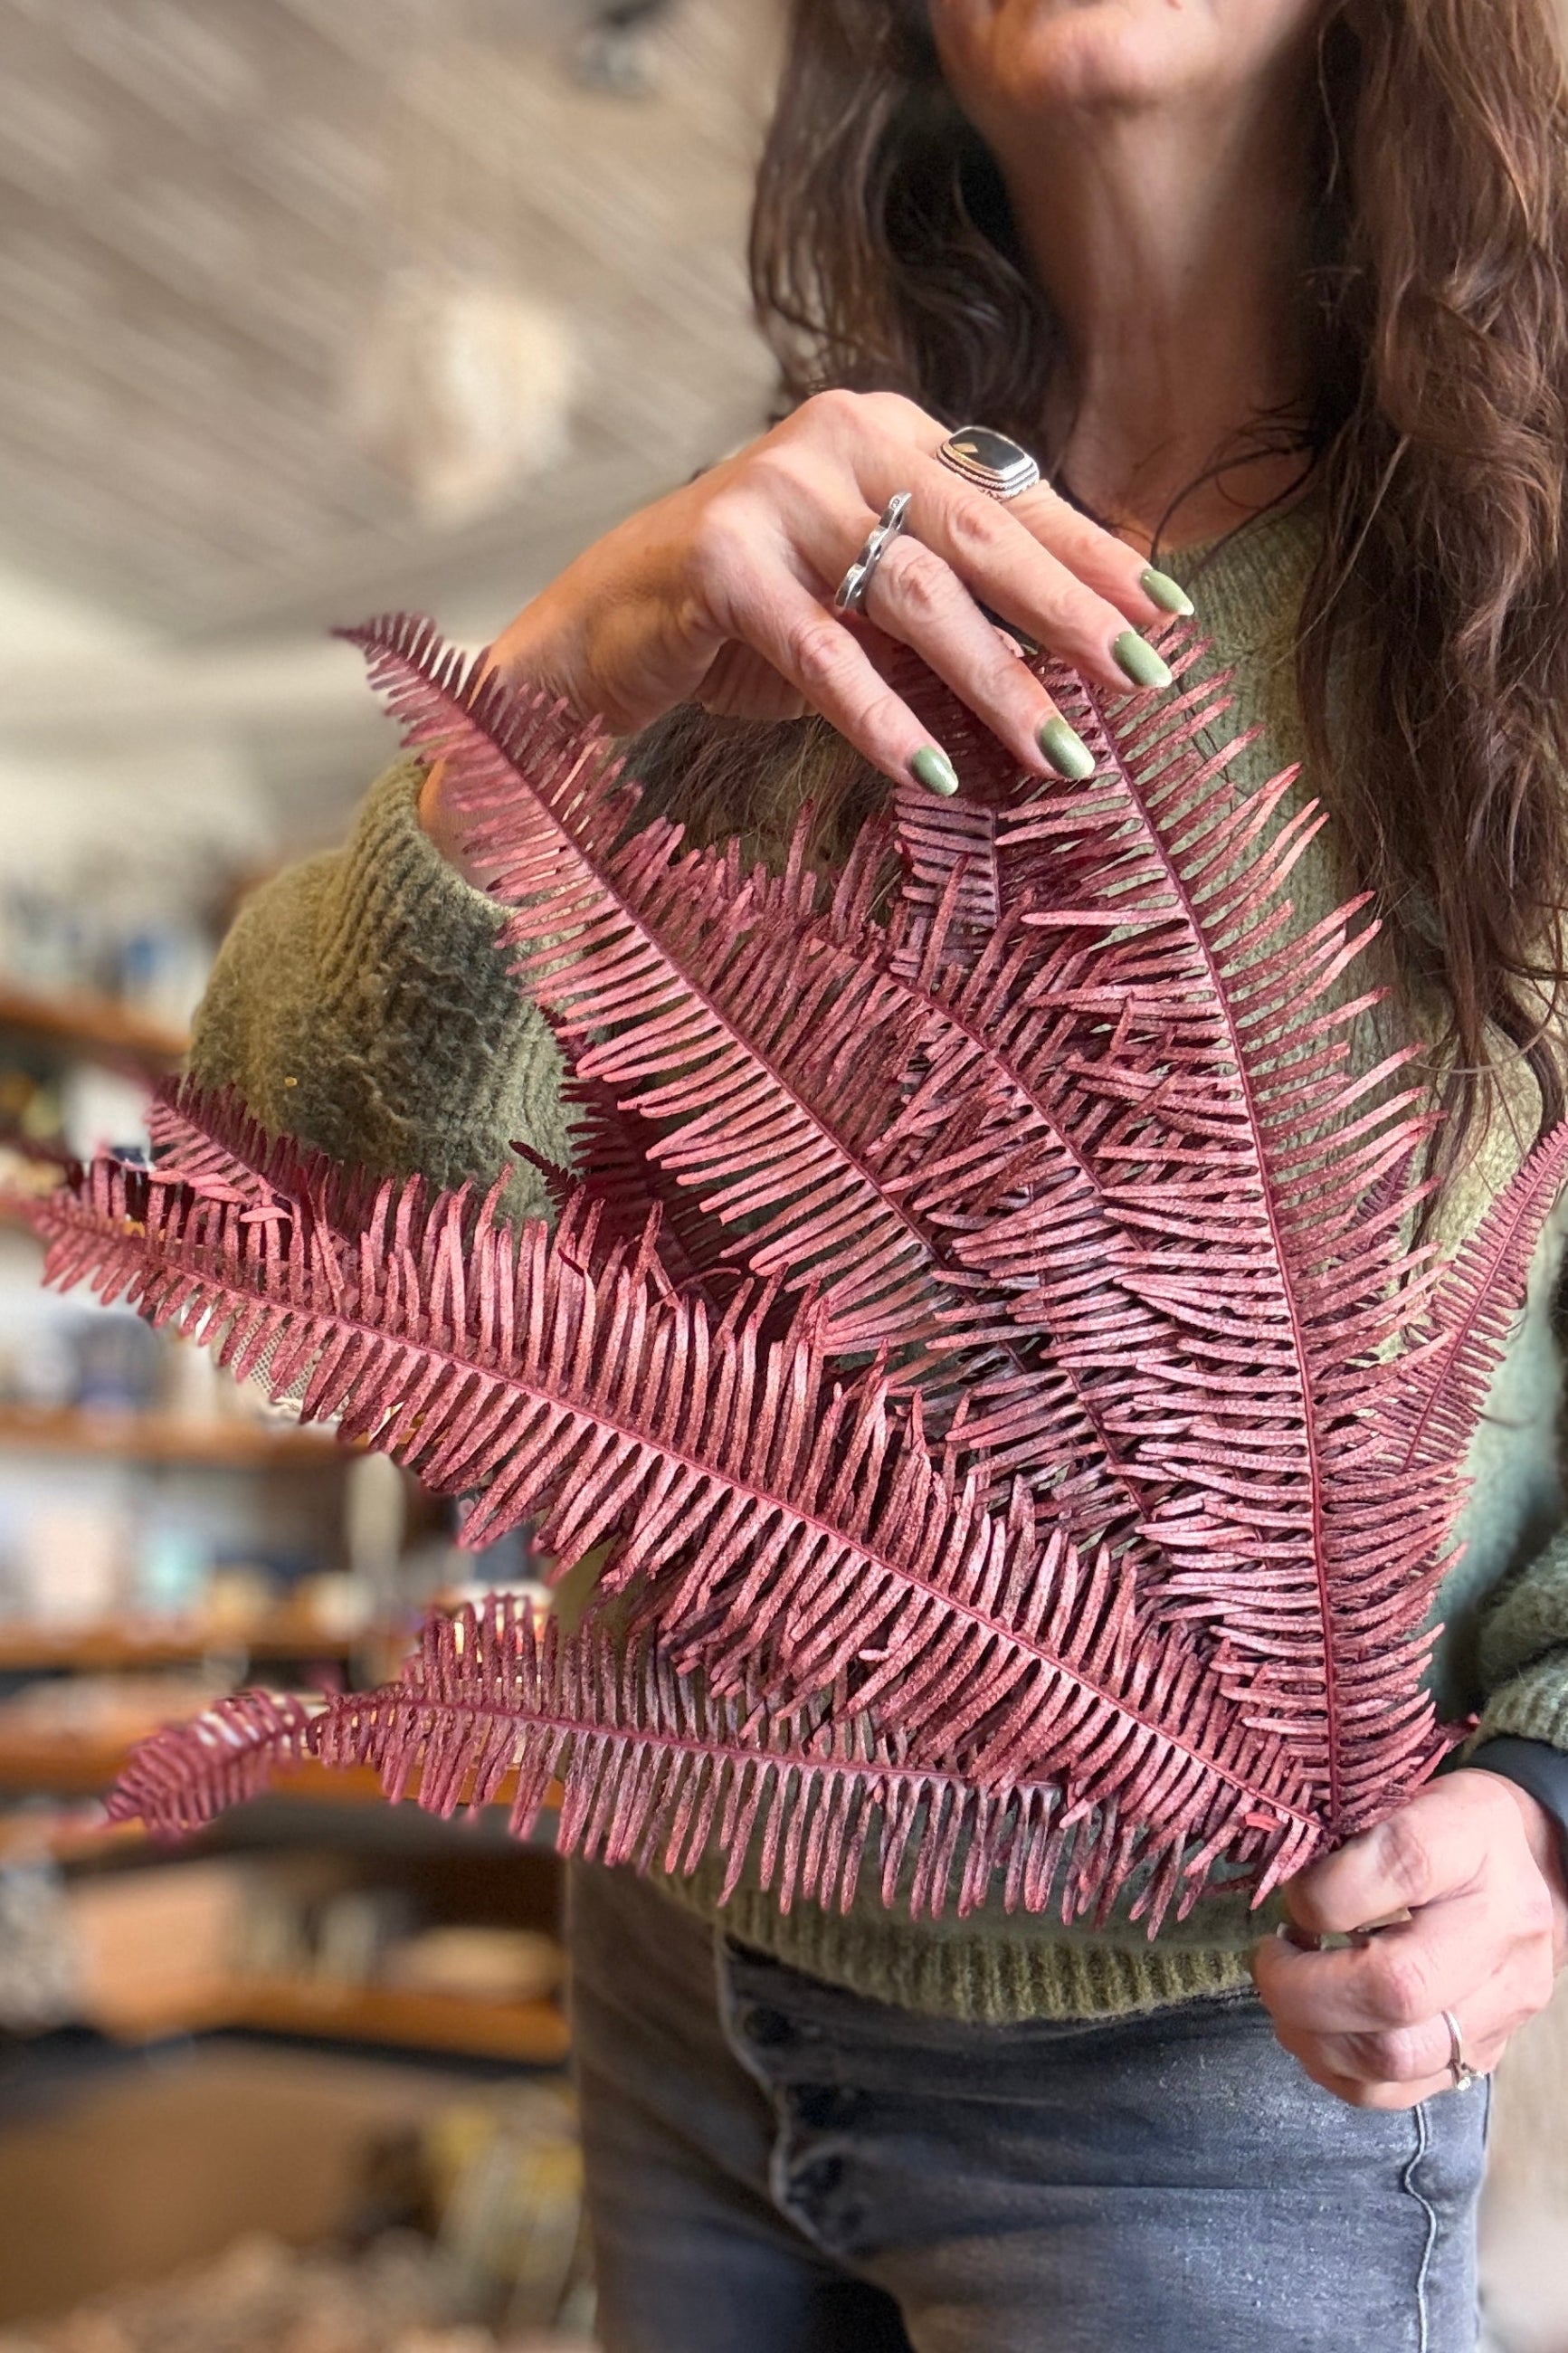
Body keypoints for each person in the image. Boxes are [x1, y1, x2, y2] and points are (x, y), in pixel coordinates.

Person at [191, 3, 1568, 2345]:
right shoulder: (778, 558)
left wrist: (1547, 1790)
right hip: (684, 1944)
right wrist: (551, 694)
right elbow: (292, 1200)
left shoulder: (1505, 601)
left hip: (1204, 2063)